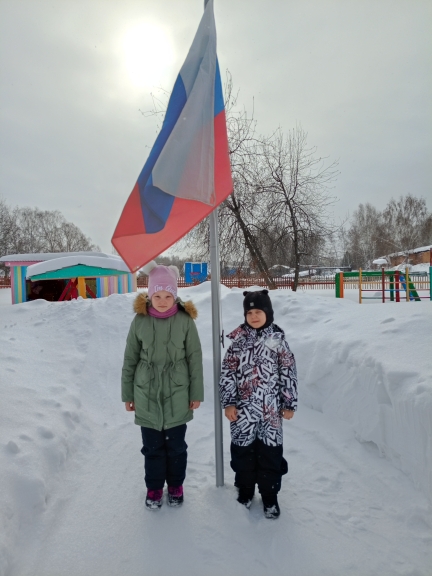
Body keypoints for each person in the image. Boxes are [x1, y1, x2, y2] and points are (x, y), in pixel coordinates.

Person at [121, 261, 203, 510]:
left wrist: (196, 392)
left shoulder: (185, 321)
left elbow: (194, 358)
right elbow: (130, 359)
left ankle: (176, 485)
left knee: (176, 448)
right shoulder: (140, 321)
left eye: (168, 296)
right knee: (153, 448)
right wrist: (127, 394)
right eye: (157, 295)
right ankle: (154, 488)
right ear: (149, 295)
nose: (163, 301)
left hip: (178, 393)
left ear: (175, 295)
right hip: (146, 393)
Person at [219, 289, 298, 519]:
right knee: (243, 451)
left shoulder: (277, 341)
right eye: (249, 313)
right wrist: (228, 403)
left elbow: (288, 371)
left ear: (268, 313)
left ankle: (269, 495)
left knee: (270, 453)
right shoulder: (238, 342)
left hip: (270, 411)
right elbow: (227, 374)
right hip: (242, 411)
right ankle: (245, 490)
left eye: (258, 312)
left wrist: (289, 402)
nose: (254, 316)